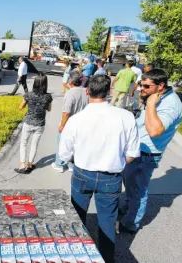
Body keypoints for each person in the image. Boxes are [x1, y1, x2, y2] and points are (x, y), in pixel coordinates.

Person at [59, 75, 140, 263]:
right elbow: (132, 154)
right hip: (111, 177)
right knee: (107, 222)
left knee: (77, 218)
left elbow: (64, 154)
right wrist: (114, 161)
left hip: (82, 173)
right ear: (109, 92)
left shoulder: (76, 119)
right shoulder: (126, 117)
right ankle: (105, 258)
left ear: (87, 91)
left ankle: (76, 256)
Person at [119, 69, 182, 234]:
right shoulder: (156, 96)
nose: (142, 89)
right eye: (141, 85)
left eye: (147, 86)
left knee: (139, 191)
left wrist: (150, 104)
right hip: (138, 149)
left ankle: (131, 223)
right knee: (131, 185)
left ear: (160, 85)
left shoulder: (171, 105)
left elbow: (155, 130)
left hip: (145, 155)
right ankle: (128, 207)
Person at [15, 72, 52, 174]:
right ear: (45, 84)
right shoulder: (48, 97)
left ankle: (22, 165)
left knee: (24, 143)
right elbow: (49, 109)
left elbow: (20, 107)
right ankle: (30, 165)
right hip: (40, 124)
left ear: (35, 83)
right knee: (34, 144)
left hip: (28, 122)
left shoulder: (29, 95)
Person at [52, 71, 88, 173]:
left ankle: (59, 164)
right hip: (81, 124)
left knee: (62, 143)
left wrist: (62, 125)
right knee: (74, 145)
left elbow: (66, 112)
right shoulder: (86, 92)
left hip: (69, 124)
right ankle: (71, 164)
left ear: (71, 81)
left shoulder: (70, 93)